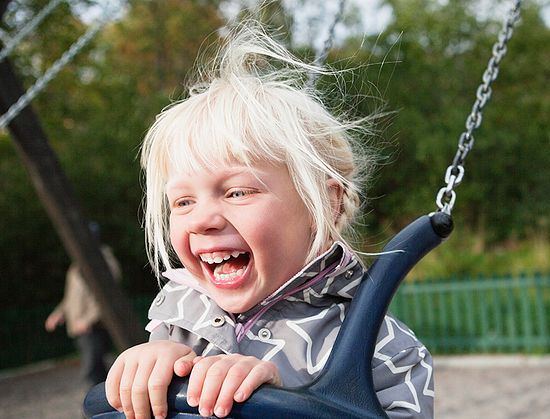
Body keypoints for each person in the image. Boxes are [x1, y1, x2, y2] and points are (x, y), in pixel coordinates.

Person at [104, 20, 434, 419]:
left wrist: (286, 402)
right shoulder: (177, 320)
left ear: (325, 204)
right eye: (183, 202)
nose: (203, 220)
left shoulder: (380, 348)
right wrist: (148, 377)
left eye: (237, 192)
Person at [45, 222, 121, 387]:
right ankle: (106, 405)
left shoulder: (104, 261)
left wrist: (88, 319)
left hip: (95, 326)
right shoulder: (78, 263)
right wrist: (59, 313)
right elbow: (72, 296)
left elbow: (107, 295)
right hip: (79, 326)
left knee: (92, 369)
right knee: (97, 369)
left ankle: (95, 408)